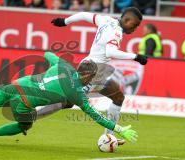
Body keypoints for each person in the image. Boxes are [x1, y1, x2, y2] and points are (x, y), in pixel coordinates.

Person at [0, 52, 137, 145]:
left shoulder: (64, 67)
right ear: (89, 77)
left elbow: (48, 54)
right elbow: (96, 116)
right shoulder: (77, 93)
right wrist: (119, 129)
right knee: (24, 126)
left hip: (15, 85)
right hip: (24, 103)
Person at [48, 7, 147, 145]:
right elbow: (110, 52)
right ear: (127, 19)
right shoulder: (116, 32)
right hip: (89, 72)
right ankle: (32, 109)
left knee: (118, 97)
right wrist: (135, 56)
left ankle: (109, 137)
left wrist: (65, 21)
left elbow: (83, 14)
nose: (135, 29)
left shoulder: (106, 19)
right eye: (134, 25)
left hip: (94, 71)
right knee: (67, 102)